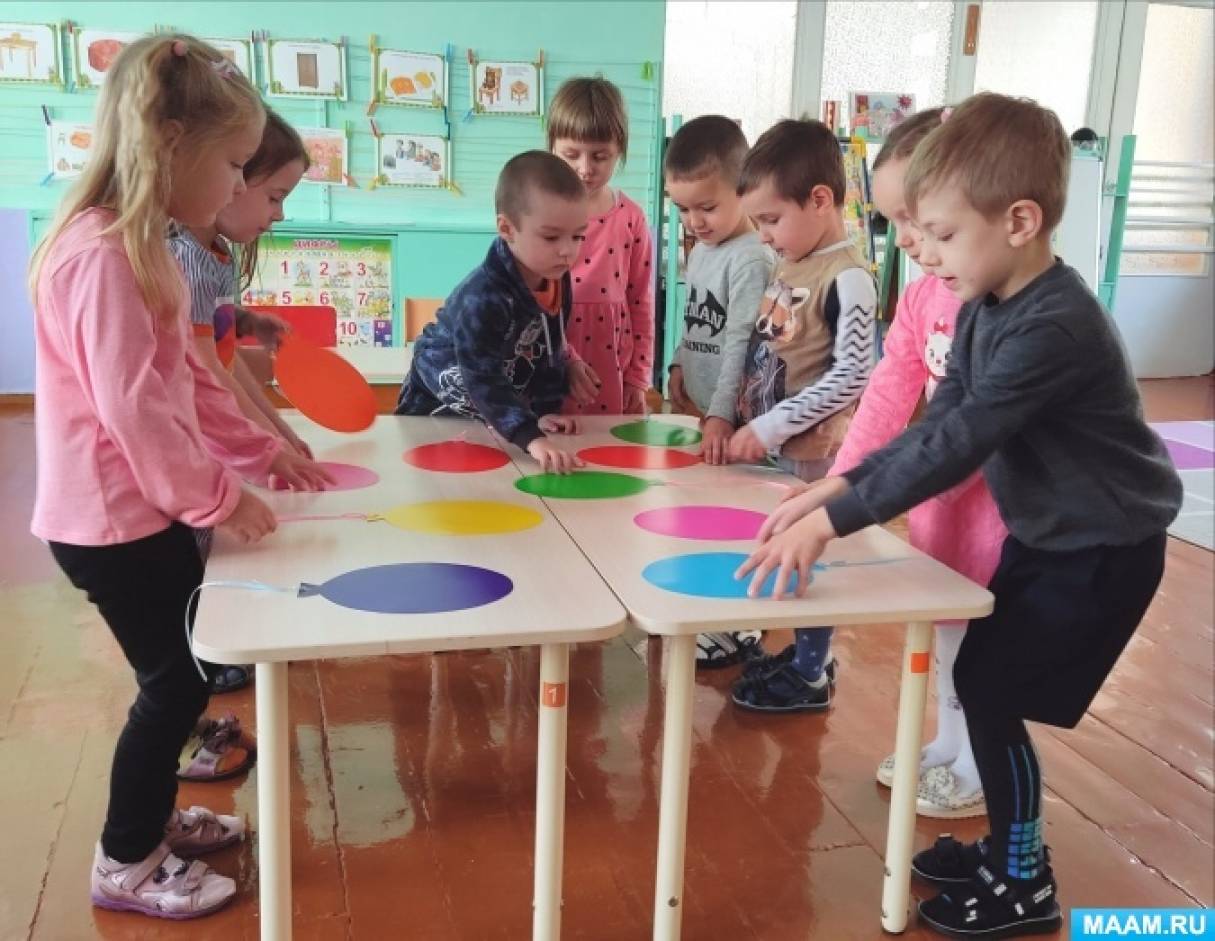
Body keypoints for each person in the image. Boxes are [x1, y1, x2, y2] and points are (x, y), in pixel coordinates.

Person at [738, 92, 1183, 938]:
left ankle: (1024, 880)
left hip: (1102, 546)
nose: (925, 253)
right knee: (985, 684)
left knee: (989, 686)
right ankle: (1010, 855)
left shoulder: (1053, 325)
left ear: (1019, 221)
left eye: (940, 234)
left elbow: (958, 443)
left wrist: (832, 521)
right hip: (1053, 532)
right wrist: (836, 487)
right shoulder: (988, 305)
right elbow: (938, 422)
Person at [29, 34, 328, 919]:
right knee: (173, 686)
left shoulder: (140, 247)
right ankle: (124, 860)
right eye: (233, 165)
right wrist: (219, 496)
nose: (238, 187)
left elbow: (190, 379)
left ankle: (153, 823)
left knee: (182, 677)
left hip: (137, 514)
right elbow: (137, 414)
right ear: (169, 143)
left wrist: (257, 450)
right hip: (110, 524)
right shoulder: (102, 257)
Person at [822, 106, 1004, 819]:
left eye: (918, 221)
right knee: (946, 630)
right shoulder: (924, 292)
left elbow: (977, 427)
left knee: (988, 640)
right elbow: (888, 391)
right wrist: (838, 486)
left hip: (1000, 512)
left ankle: (982, 760)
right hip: (938, 501)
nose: (906, 240)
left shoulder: (999, 302)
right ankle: (951, 740)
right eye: (896, 221)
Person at [727, 119, 877, 712]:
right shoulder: (794, 259)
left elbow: (853, 376)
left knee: (812, 556)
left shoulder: (850, 277)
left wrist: (770, 425)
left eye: (770, 220)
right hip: (779, 447)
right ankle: (800, 654)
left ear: (819, 200)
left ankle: (812, 674)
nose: (764, 236)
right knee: (779, 546)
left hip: (814, 455)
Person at [170, 107, 313, 697]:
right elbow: (210, 370)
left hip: (213, 435)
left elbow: (222, 350)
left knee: (213, 549)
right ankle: (203, 657)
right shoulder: (185, 256)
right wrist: (269, 440)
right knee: (197, 557)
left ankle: (215, 648)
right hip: (194, 440)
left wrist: (248, 322)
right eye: (274, 196)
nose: (278, 213)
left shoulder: (214, 254)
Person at [661, 114, 776, 667]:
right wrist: (677, 363)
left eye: (706, 207)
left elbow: (740, 342)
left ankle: (743, 623)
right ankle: (716, 611)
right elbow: (694, 318)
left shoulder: (751, 256)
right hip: (710, 409)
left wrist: (722, 414)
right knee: (708, 511)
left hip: (739, 416)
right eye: (683, 209)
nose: (694, 221)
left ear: (743, 190)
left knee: (740, 518)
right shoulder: (703, 249)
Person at [396, 151, 588, 473]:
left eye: (578, 235)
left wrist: (543, 412)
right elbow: (479, 375)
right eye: (551, 236)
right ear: (507, 228)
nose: (568, 250)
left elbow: (550, 351)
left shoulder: (556, 279)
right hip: (436, 413)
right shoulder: (483, 294)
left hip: (494, 419)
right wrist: (529, 435)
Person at [547, 77, 655, 415]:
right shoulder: (538, 213)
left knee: (606, 441)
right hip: (552, 354)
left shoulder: (631, 217)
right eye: (571, 155)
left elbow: (641, 302)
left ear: (619, 150)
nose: (585, 169)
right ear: (552, 148)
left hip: (610, 359)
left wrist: (638, 377)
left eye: (600, 156)